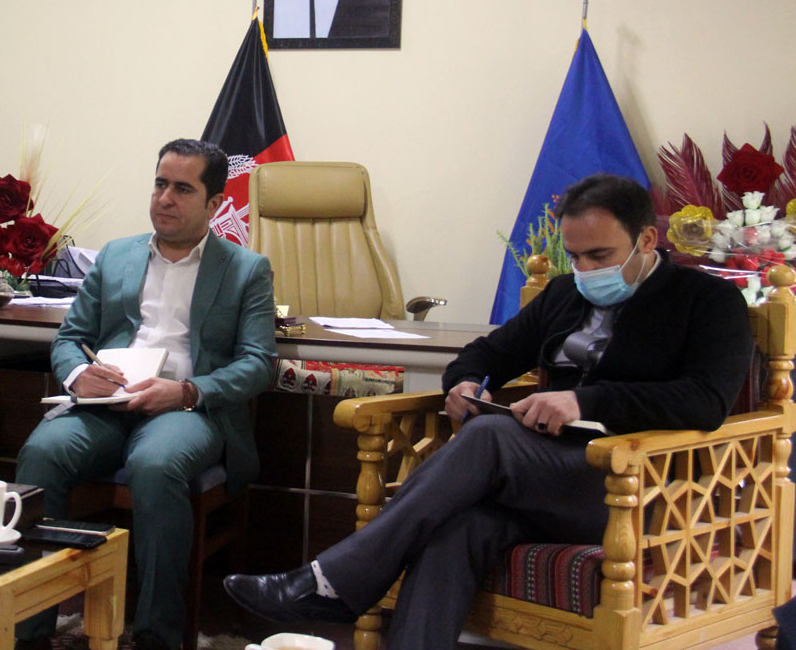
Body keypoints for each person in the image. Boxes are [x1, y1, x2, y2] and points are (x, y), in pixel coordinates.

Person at [223, 174, 753, 649]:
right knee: (459, 530)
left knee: (489, 438)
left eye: (600, 256)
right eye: (575, 256)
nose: (586, 270)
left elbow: (706, 401)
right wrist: (465, 383)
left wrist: (583, 401)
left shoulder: (706, 301)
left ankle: (335, 581)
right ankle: (348, 594)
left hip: (635, 486)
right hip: (544, 477)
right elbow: (487, 353)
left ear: (645, 240)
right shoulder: (566, 294)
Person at [14, 139, 277, 650]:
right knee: (41, 452)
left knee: (155, 465)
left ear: (215, 203)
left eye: (183, 188)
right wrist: (75, 378)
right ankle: (29, 631)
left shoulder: (247, 269)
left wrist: (186, 391)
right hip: (106, 403)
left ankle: (158, 637)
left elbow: (257, 364)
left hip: (184, 408)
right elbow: (70, 338)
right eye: (160, 184)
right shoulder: (117, 255)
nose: (165, 198)